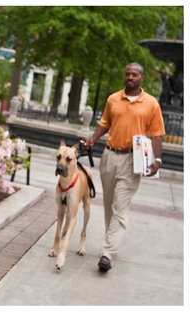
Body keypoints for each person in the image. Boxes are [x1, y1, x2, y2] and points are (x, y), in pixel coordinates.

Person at [84, 62, 165, 272]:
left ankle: (107, 253)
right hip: (109, 156)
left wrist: (157, 160)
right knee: (111, 203)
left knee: (120, 206)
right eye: (128, 74)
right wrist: (93, 139)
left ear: (142, 78)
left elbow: (157, 133)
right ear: (124, 76)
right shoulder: (113, 99)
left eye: (135, 74)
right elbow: (105, 123)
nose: (131, 77)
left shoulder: (151, 103)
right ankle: (111, 244)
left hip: (133, 160)